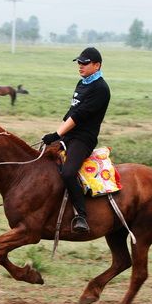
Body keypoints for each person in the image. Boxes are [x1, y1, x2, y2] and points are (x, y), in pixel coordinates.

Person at [42, 47, 111, 233]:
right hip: (69, 134)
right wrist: (56, 134)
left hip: (83, 139)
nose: (80, 66)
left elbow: (79, 116)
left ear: (97, 65)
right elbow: (71, 112)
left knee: (67, 173)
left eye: (85, 63)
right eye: (79, 62)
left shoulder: (101, 89)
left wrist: (56, 135)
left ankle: (81, 215)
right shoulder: (82, 84)